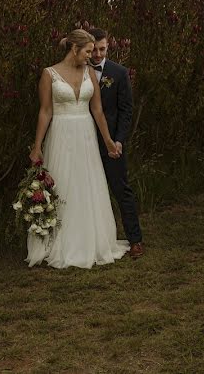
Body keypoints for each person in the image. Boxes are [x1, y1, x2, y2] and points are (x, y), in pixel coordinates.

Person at [26, 29, 129, 268]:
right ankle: (60, 243)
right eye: (88, 51)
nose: (92, 56)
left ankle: (90, 242)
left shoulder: (90, 74)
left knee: (86, 186)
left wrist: (108, 141)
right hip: (61, 135)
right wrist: (37, 146)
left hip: (86, 137)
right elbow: (45, 111)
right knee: (63, 185)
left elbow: (98, 111)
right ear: (74, 49)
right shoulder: (49, 74)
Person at [88, 28, 144, 259]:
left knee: (121, 190)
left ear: (108, 47)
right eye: (94, 50)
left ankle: (135, 240)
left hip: (112, 144)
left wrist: (119, 141)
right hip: (84, 142)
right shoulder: (77, 70)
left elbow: (126, 110)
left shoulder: (119, 73)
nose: (98, 54)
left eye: (103, 49)